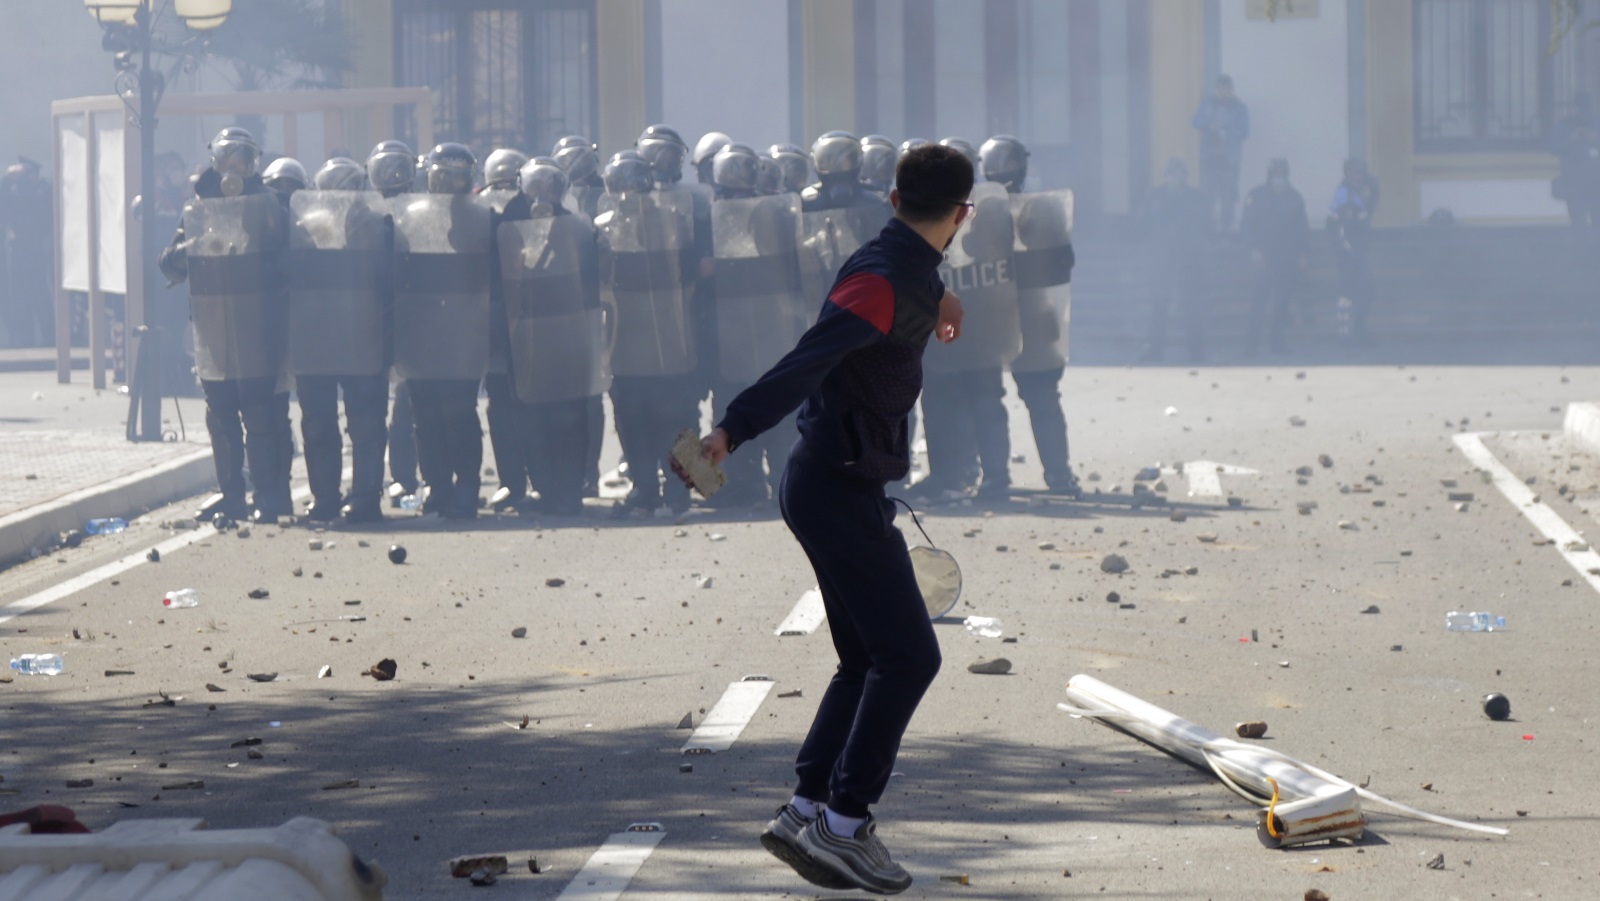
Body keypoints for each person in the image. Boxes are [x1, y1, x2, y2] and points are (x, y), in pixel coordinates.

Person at [682, 143, 971, 895]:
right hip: (835, 486)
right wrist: (731, 429)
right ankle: (844, 824)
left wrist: (941, 300)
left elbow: (917, 278)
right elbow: (806, 360)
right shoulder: (881, 279)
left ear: (893, 200)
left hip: (841, 481)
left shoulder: (900, 261)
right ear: (962, 214)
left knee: (863, 658)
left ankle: (804, 808)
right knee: (910, 656)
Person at [159, 127, 294, 523]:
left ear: (253, 164)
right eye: (228, 158)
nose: (234, 167)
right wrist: (195, 246)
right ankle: (231, 495)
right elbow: (168, 262)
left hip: (259, 326)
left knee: (260, 414)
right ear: (216, 161)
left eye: (242, 159)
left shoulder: (270, 206)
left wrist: (260, 254)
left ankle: (269, 497)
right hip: (214, 329)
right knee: (220, 415)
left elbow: (290, 258)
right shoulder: (198, 209)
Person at [285, 157, 391, 524]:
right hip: (315, 335)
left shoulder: (380, 224)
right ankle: (325, 497)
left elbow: (391, 279)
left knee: (366, 423)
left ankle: (364, 498)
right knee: (317, 423)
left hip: (363, 331)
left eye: (347, 186)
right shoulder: (302, 226)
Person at [496, 156, 605, 516]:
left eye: (549, 186)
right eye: (535, 185)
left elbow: (591, 276)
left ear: (560, 190)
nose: (541, 193)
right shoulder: (509, 224)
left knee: (571, 416)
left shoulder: (576, 227)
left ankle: (570, 490)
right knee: (533, 416)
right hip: (527, 335)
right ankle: (545, 487)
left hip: (568, 332)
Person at [392, 143, 492, 519]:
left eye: (458, 176)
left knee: (460, 412)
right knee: (426, 415)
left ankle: (467, 487)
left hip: (464, 331)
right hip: (421, 329)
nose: (450, 183)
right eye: (442, 175)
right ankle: (436, 486)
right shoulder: (410, 217)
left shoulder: (483, 218)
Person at [978, 133, 1080, 496]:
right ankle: (1049, 476)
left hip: (1013, 317)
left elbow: (1060, 262)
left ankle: (1008, 478)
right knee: (1017, 397)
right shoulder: (985, 212)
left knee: (1014, 397)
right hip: (1009, 316)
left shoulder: (1033, 209)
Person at [596, 151, 696, 516]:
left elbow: (690, 275)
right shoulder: (603, 227)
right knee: (632, 419)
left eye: (633, 182)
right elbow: (599, 279)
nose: (628, 192)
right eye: (620, 184)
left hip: (670, 336)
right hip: (626, 337)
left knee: (678, 418)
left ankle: (684, 491)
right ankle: (644, 490)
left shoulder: (673, 221)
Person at [707, 142, 805, 505]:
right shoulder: (708, 214)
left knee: (779, 410)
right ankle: (739, 487)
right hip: (726, 328)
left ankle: (787, 482)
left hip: (774, 326)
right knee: (733, 409)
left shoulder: (778, 212)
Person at [479, 148, 536, 512]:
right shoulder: (479, 213)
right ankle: (512, 482)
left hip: (536, 322)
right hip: (498, 325)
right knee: (501, 406)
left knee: (538, 407)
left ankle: (548, 482)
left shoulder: (538, 210)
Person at [551, 134, 608, 497]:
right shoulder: (556, 204)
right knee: (586, 399)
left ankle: (696, 484)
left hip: (623, 314)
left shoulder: (611, 197)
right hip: (576, 311)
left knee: (670, 404)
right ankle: (583, 476)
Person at [367, 140, 422, 503]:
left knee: (410, 404)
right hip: (372, 316)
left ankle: (410, 477)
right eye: (385, 170)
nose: (392, 178)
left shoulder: (422, 210)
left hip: (415, 315)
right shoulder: (363, 211)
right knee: (371, 407)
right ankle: (374, 483)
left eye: (398, 170)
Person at [1140, 158, 1212, 363]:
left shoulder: (1196, 198)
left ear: (1184, 176)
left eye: (1178, 173)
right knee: (1159, 306)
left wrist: (1201, 244)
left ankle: (1196, 352)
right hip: (1161, 260)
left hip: (1189, 259)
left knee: (1192, 307)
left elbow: (1206, 225)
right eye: (1170, 173)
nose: (1174, 177)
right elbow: (1143, 225)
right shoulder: (1154, 197)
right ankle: (1155, 352)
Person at [1240, 158, 1309, 355]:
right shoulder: (1256, 195)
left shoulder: (1295, 198)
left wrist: (1303, 253)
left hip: (1286, 258)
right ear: (1269, 175)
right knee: (1258, 303)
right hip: (1263, 257)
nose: (1279, 178)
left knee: (1282, 302)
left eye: (1282, 174)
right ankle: (1251, 345)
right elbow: (1246, 225)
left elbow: (1302, 228)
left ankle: (1277, 344)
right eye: (1275, 174)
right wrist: (1253, 248)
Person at [0, 158, 54, 347]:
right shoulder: (15, 190)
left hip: (35, 250)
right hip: (19, 250)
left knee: (40, 294)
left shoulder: (42, 190)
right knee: (19, 296)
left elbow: (43, 218)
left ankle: (49, 337)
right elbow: (5, 202)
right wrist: (8, 179)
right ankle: (24, 338)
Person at [1328, 158, 1379, 342]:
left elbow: (1367, 213)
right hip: (1348, 252)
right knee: (1347, 292)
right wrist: (1349, 252)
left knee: (1366, 289)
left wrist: (1375, 190)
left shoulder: (1359, 193)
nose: (1357, 176)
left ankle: (1359, 331)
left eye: (1360, 172)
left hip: (1359, 250)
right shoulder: (1345, 195)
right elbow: (1342, 228)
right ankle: (1345, 334)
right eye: (1353, 172)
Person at [1192, 74, 1251, 230]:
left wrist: (1226, 133)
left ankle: (1226, 228)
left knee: (1228, 196)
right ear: (1215, 89)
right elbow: (1196, 122)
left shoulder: (1240, 107)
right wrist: (1209, 127)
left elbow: (1244, 132)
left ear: (1232, 90)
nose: (1224, 92)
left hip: (1229, 160)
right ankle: (1207, 227)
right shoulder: (1208, 104)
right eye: (1220, 89)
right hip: (1209, 159)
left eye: (1227, 89)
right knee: (1207, 195)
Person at [1551, 93, 1600, 228]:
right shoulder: (1565, 125)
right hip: (1573, 182)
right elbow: (1553, 148)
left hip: (1596, 183)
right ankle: (1582, 248)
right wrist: (1571, 139)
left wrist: (1595, 140)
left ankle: (1595, 248)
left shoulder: (1597, 123)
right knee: (1578, 222)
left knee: (1597, 221)